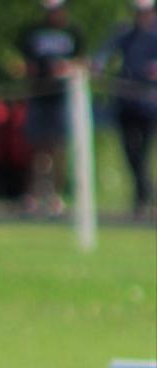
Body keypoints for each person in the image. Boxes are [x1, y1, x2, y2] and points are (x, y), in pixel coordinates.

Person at [14, 0, 85, 217]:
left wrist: (67, 69)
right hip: (38, 95)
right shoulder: (33, 33)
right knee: (37, 148)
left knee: (59, 148)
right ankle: (33, 194)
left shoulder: (73, 33)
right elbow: (22, 62)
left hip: (63, 97)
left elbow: (82, 61)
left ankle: (56, 195)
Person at [93, 0, 157, 219]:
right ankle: (144, 193)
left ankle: (143, 196)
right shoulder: (125, 33)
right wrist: (97, 67)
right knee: (131, 151)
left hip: (150, 104)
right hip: (126, 102)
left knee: (144, 151)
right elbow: (104, 54)